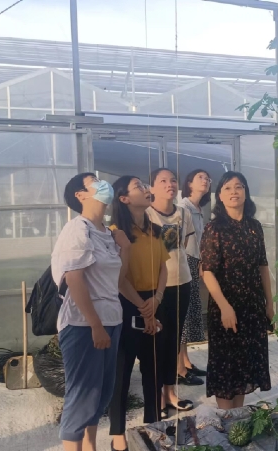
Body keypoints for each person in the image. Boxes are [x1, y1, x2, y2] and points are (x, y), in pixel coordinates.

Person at [51, 173, 129, 451]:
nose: (102, 183)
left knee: (101, 394)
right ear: (80, 195)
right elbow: (74, 279)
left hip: (112, 320)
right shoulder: (77, 228)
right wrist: (95, 324)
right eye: (93, 181)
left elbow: (118, 280)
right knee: (83, 395)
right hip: (83, 325)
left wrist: (125, 247)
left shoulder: (107, 233)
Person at [108, 176, 172, 451]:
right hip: (126, 304)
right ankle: (118, 436)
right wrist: (142, 307)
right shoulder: (115, 234)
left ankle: (153, 427)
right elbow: (117, 278)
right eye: (139, 187)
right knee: (121, 373)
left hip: (155, 302)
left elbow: (164, 267)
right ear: (124, 199)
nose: (146, 189)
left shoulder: (156, 230)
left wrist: (156, 299)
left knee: (153, 371)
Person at [201, 171, 273, 410]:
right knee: (226, 367)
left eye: (239, 187)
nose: (234, 192)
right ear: (220, 196)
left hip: (252, 306)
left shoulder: (254, 227)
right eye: (228, 188)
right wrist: (224, 307)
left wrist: (269, 304)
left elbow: (263, 266)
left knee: (244, 367)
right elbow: (207, 272)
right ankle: (226, 418)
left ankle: (238, 415)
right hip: (226, 306)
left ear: (246, 193)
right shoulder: (214, 228)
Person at [147, 169, 204, 405]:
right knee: (157, 342)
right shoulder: (146, 214)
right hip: (155, 287)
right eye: (162, 181)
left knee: (174, 339)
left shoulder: (183, 213)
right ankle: (157, 395)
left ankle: (170, 392)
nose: (169, 184)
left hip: (182, 282)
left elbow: (185, 243)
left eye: (172, 180)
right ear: (152, 188)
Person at [177, 169, 212, 379]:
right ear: (189, 183)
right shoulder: (183, 208)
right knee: (182, 315)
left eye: (207, 178)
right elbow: (181, 242)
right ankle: (179, 368)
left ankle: (186, 361)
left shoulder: (198, 208)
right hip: (185, 262)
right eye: (201, 177)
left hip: (195, 262)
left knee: (189, 315)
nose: (206, 180)